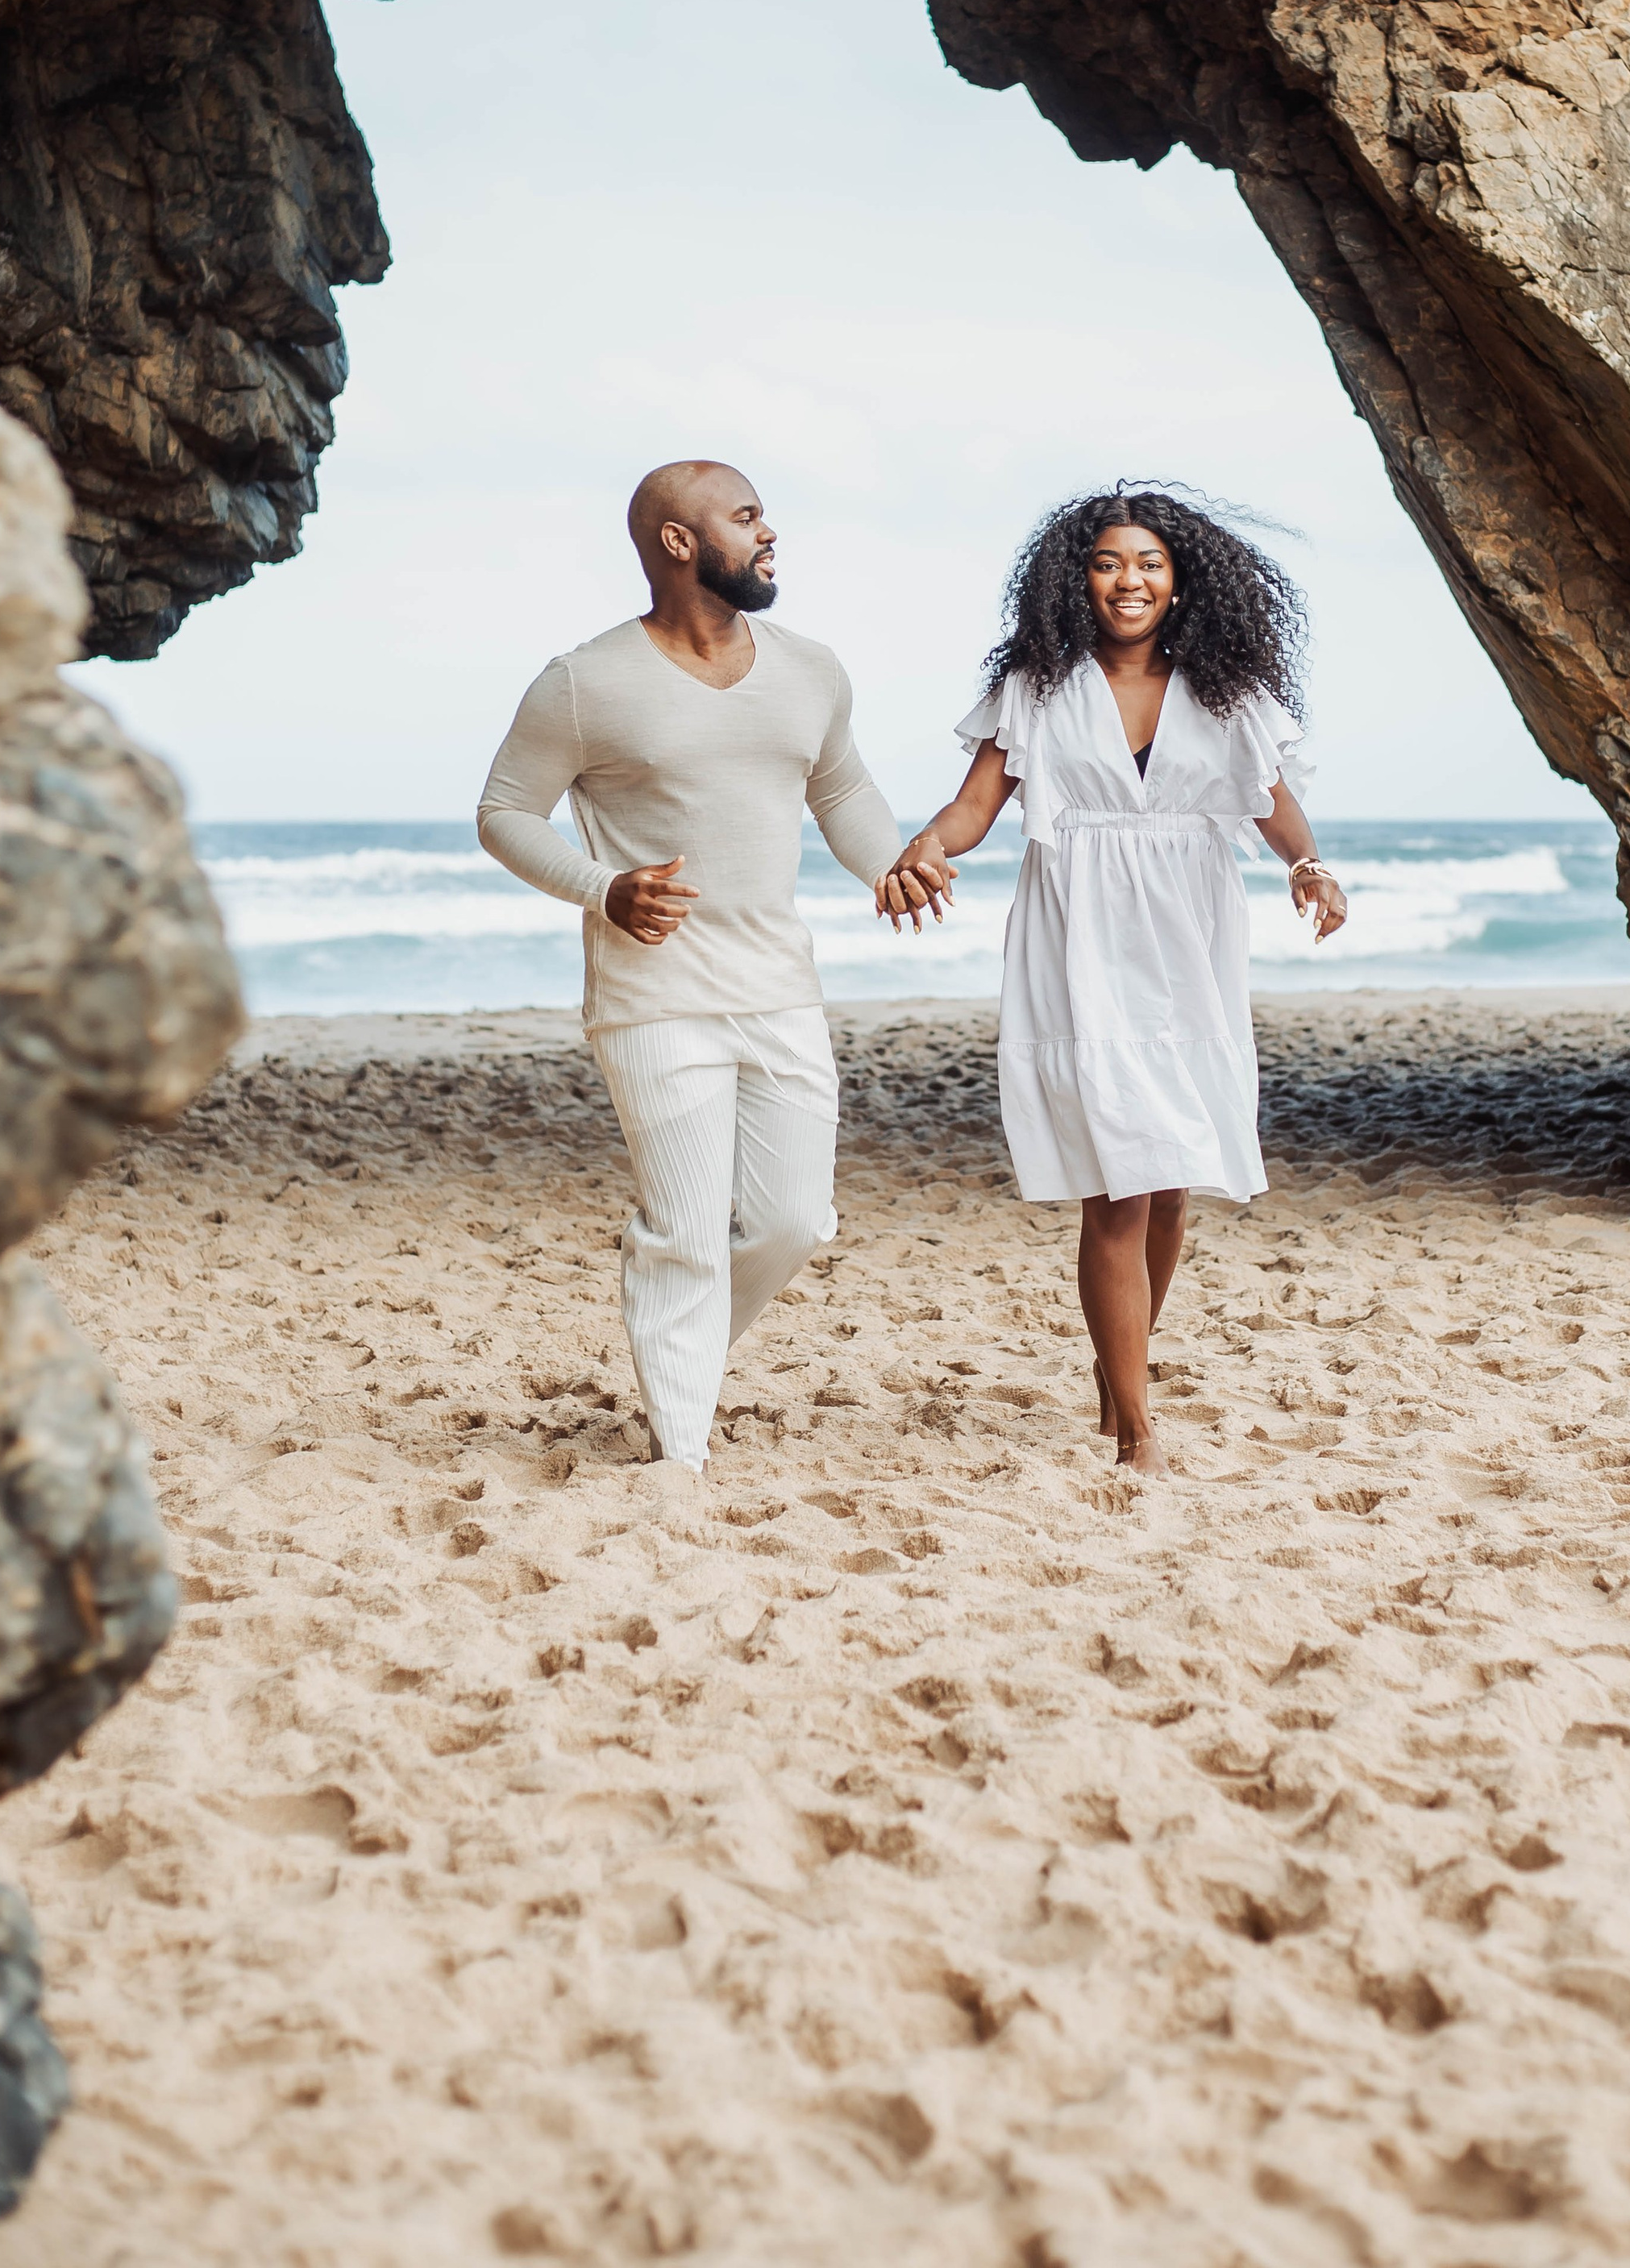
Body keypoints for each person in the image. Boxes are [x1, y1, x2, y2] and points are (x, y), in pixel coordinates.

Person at [875, 488, 1346, 1476]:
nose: (1127, 580)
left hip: (1187, 941)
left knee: (1170, 1188)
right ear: (1074, 578)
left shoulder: (1222, 691)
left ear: (1180, 581)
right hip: (1079, 936)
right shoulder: (1036, 690)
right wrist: (925, 847)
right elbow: (975, 806)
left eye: (1148, 564)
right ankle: (1136, 1431)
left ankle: (1115, 1369)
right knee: (1119, 1192)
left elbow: (1272, 803)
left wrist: (1308, 866)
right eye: (1105, 562)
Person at [477, 461, 901, 1511]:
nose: (770, 533)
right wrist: (602, 887)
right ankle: (681, 1449)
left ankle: (681, 1345)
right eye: (747, 515)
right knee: (683, 1228)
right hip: (652, 997)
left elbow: (840, 785)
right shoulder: (585, 682)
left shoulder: (811, 669)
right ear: (678, 541)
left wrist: (888, 865)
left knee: (796, 1220)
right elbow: (505, 811)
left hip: (779, 988)